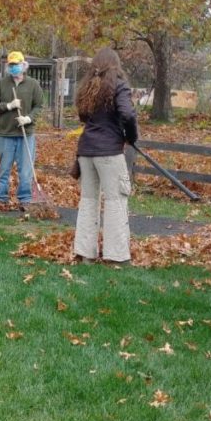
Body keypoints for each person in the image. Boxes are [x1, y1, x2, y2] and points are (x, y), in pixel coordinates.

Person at [72, 48, 139, 265]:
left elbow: (83, 116)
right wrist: (131, 136)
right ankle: (116, 256)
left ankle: (85, 254)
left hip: (86, 151)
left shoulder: (87, 86)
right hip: (109, 151)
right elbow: (127, 113)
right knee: (115, 201)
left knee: (88, 201)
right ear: (115, 64)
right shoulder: (119, 84)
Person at [0, 51, 44, 208]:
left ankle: (25, 200)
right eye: (11, 65)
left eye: (16, 64)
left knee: (25, 170)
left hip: (26, 134)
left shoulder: (33, 85)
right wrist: (8, 106)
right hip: (6, 134)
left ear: (24, 65)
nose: (14, 68)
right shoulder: (1, 84)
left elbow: (39, 105)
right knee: (4, 169)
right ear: (8, 66)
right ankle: (1, 198)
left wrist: (29, 118)